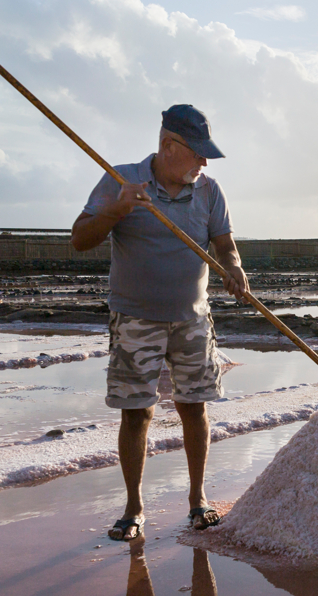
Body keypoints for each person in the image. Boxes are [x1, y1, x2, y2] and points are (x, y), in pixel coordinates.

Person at [71, 104, 248, 541]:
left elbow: (225, 245)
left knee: (195, 408)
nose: (204, 162)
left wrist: (234, 267)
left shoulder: (209, 191)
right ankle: (133, 508)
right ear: (170, 147)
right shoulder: (121, 180)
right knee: (137, 414)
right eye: (198, 153)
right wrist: (118, 209)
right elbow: (79, 239)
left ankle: (198, 500)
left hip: (192, 319)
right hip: (135, 318)